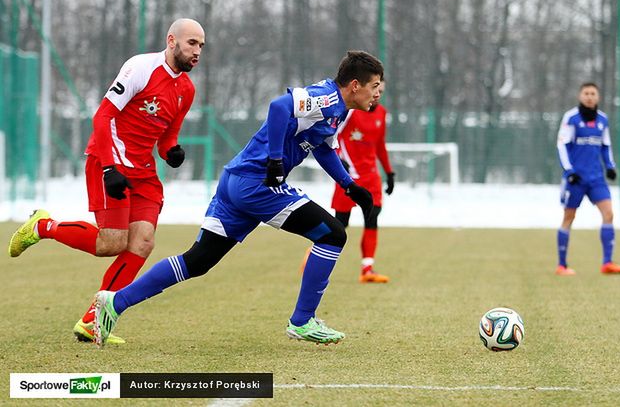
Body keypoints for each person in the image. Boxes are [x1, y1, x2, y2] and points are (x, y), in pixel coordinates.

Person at [92, 50, 384, 347]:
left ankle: (114, 303)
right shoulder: (329, 98)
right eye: (374, 87)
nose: (377, 95)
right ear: (355, 85)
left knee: (198, 261)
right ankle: (302, 320)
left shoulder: (339, 110)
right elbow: (278, 107)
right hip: (257, 184)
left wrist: (349, 186)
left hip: (236, 180)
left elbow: (321, 146)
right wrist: (274, 160)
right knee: (332, 235)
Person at [8, 18, 206, 343]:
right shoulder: (141, 68)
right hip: (109, 162)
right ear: (172, 41)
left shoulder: (187, 89)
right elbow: (103, 115)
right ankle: (42, 226)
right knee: (110, 244)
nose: (197, 51)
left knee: (142, 242)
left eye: (201, 45)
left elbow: (167, 137)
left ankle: (94, 320)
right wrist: (109, 169)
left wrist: (172, 152)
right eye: (191, 43)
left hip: (144, 172)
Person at [555, 82, 620, 276]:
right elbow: (561, 146)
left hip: (596, 178)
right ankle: (561, 265)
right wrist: (569, 171)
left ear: (598, 97)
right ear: (580, 96)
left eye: (593, 93)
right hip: (576, 179)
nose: (589, 97)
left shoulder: (603, 119)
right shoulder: (571, 118)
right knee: (569, 217)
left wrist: (610, 166)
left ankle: (607, 263)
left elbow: (606, 146)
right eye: (586, 93)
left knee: (609, 214)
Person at [330, 79, 394, 283]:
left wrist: (389, 172)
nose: (377, 94)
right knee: (341, 223)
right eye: (375, 89)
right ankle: (314, 252)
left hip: (371, 176)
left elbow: (380, 145)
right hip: (348, 177)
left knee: (372, 216)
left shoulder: (382, 113)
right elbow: (332, 136)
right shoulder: (349, 111)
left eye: (381, 91)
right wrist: (339, 159)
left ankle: (367, 269)